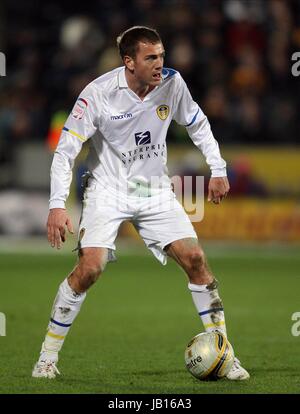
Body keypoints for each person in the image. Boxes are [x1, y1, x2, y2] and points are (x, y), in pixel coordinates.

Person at [32, 26, 249, 380]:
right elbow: (66, 151)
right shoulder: (98, 94)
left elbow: (198, 123)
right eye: (151, 57)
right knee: (91, 269)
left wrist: (219, 168)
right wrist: (57, 205)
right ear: (129, 62)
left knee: (196, 259)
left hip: (154, 190)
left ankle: (225, 355)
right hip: (107, 190)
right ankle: (47, 357)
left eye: (162, 55)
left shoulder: (172, 83)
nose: (160, 63)